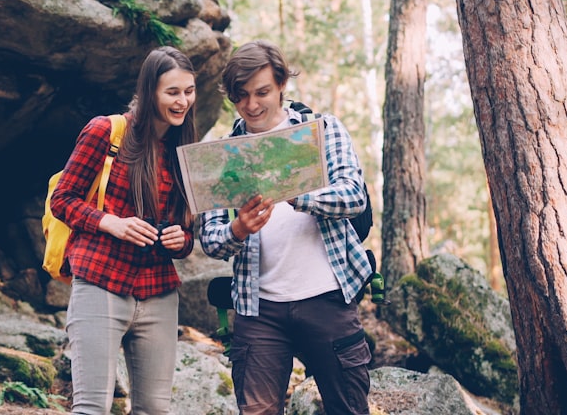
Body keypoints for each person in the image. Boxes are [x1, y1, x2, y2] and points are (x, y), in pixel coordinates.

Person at [198, 40, 373, 415]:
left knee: (348, 408)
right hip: (257, 307)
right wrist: (238, 230)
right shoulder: (221, 153)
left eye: (262, 92)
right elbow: (211, 240)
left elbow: (354, 195)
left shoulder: (322, 129)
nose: (252, 104)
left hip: (328, 297)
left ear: (281, 84)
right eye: (241, 96)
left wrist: (297, 195)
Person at [49, 46, 198, 415]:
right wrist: (109, 222)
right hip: (100, 281)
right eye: (173, 92)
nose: (183, 102)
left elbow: (188, 232)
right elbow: (63, 199)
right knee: (91, 408)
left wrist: (182, 240)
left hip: (158, 291)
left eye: (189, 91)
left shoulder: (187, 150)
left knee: (154, 409)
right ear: (150, 92)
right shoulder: (107, 131)